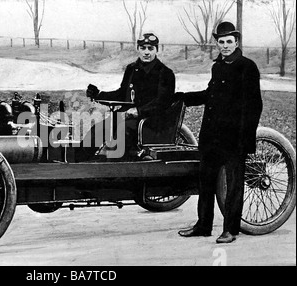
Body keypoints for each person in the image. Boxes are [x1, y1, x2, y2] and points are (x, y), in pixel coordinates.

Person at [176, 21, 263, 243]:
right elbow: (210, 94)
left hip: (233, 139)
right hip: (211, 137)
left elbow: (254, 106)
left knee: (234, 186)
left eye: (228, 42)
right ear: (217, 43)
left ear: (237, 42)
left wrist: (245, 140)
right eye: (221, 42)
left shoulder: (247, 67)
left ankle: (230, 230)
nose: (224, 46)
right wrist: (185, 96)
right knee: (205, 182)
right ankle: (204, 225)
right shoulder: (218, 66)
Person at [77, 32, 176, 161]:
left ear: (157, 49)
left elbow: (162, 102)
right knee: (98, 129)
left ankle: (115, 167)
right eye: (143, 48)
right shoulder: (132, 69)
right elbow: (122, 93)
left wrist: (138, 111)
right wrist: (99, 95)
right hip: (127, 117)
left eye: (150, 49)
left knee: (122, 130)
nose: (146, 52)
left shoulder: (166, 73)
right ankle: (78, 165)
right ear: (138, 49)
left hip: (151, 121)